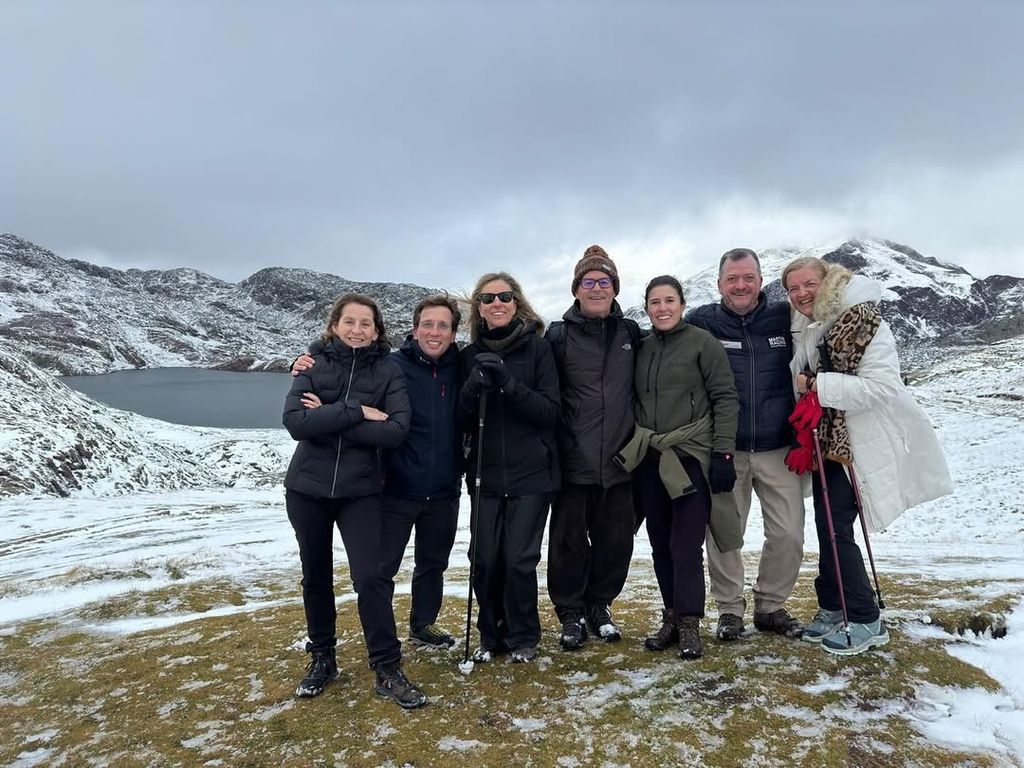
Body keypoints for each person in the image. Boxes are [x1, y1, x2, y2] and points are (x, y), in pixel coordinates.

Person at [782, 257, 953, 655]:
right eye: (793, 289)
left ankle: (864, 617)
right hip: (827, 441)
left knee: (837, 526)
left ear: (828, 282)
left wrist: (817, 385)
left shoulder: (864, 321)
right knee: (827, 524)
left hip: (858, 442)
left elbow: (883, 387)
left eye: (809, 284)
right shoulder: (806, 324)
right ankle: (832, 605)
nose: (802, 293)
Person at [292, 295, 464, 652]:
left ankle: (422, 623)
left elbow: (392, 427)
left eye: (443, 325)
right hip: (396, 485)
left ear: (453, 332)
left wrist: (329, 417)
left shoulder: (460, 365)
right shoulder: (394, 365)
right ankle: (367, 643)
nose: (435, 332)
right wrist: (345, 410)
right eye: (427, 324)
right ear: (414, 329)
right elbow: (303, 416)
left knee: (433, 564)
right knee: (378, 572)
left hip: (445, 485)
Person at [282, 293, 426, 708]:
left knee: (371, 579)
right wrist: (358, 410)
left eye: (366, 323)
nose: (357, 329)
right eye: (350, 322)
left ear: (377, 330)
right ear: (334, 325)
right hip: (306, 490)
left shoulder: (388, 370)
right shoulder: (312, 364)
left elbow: (396, 431)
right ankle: (322, 657)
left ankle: (387, 667)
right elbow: (295, 423)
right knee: (316, 577)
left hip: (361, 491)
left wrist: (326, 416)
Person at [614, 276, 741, 660]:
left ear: (682, 304)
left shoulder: (703, 344)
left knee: (686, 545)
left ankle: (689, 622)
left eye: (669, 300)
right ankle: (670, 615)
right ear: (648, 307)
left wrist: (723, 454)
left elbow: (725, 398)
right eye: (655, 302)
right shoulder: (643, 347)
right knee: (659, 544)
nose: (662, 308)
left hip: (690, 458)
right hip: (652, 460)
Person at [687, 248, 805, 641]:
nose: (741, 285)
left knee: (788, 533)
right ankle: (729, 610)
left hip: (779, 449)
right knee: (724, 532)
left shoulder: (784, 317)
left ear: (760, 280)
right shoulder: (701, 322)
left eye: (748, 277)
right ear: (719, 283)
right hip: (726, 450)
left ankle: (770, 606)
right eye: (733, 279)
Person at [544, 245, 642, 650]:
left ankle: (599, 605)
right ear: (576, 289)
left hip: (620, 461)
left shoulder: (631, 334)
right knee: (567, 542)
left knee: (615, 541)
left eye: (605, 282)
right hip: (572, 460)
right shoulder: (557, 336)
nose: (597, 288)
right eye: (589, 282)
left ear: (615, 289)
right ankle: (569, 612)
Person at [459, 272, 560, 664]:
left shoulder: (538, 350)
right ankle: (491, 633)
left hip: (532, 474)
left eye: (504, 296)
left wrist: (507, 385)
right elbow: (460, 419)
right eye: (487, 299)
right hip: (485, 473)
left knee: (519, 559)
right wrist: (471, 388)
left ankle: (523, 634)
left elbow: (550, 412)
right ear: (479, 309)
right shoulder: (467, 358)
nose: (496, 303)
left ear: (517, 302)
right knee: (485, 558)